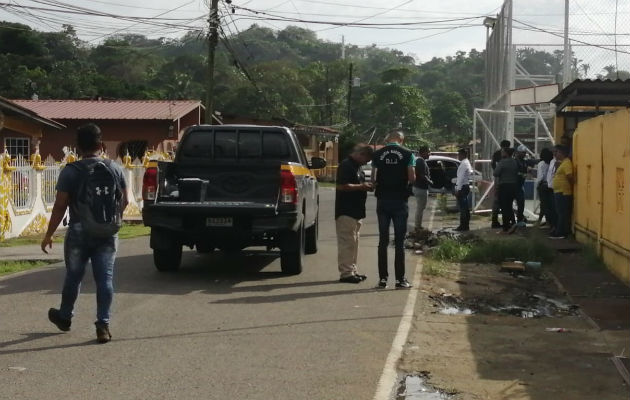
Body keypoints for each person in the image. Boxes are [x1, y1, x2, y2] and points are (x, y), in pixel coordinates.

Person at [42, 123, 128, 343]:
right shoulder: (115, 168)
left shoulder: (71, 171)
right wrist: (110, 219)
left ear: (77, 146)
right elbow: (125, 200)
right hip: (107, 233)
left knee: (74, 275)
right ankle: (103, 325)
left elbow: (60, 205)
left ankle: (64, 316)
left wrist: (49, 233)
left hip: (79, 231)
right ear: (101, 144)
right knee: (105, 279)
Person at [372, 131, 415, 289]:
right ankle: (400, 280)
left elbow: (373, 179)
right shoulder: (408, 154)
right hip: (399, 201)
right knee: (399, 242)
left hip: (382, 201)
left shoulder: (377, 154)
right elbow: (412, 178)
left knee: (382, 241)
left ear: (387, 139)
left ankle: (383, 279)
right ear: (401, 140)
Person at [335, 145, 374, 283]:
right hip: (346, 211)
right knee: (347, 243)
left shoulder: (357, 167)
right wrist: (362, 187)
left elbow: (357, 183)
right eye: (366, 160)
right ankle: (346, 273)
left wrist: (366, 185)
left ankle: (352, 270)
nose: (365, 163)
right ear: (361, 154)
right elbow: (342, 185)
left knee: (354, 243)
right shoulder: (346, 165)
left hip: (356, 212)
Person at [493, 147, 519, 233]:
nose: (501, 153)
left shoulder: (502, 162)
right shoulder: (514, 162)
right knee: (509, 206)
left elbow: (495, 173)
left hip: (504, 186)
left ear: (506, 153)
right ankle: (512, 223)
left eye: (502, 152)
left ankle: (505, 228)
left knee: (504, 207)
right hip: (513, 186)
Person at [550, 145, 573, 239]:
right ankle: (559, 231)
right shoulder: (562, 163)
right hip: (559, 191)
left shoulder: (567, 163)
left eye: (556, 152)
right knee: (560, 212)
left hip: (563, 192)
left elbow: (569, 176)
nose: (555, 154)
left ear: (562, 153)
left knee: (562, 213)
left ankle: (561, 232)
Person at [491, 140, 511, 228]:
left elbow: (492, 163)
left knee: (497, 199)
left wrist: (496, 170)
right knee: (503, 200)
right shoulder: (506, 154)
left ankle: (495, 220)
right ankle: (501, 221)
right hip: (503, 178)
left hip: (498, 177)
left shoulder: (496, 154)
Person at [413, 146, 432, 232]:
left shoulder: (421, 161)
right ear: (423, 152)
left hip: (420, 187)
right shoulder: (420, 161)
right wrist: (430, 182)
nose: (429, 154)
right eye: (428, 152)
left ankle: (418, 225)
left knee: (420, 207)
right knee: (420, 208)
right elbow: (422, 175)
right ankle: (418, 226)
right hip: (421, 188)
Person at [454, 148, 473, 232]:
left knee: (463, 208)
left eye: (459, 154)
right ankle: (465, 225)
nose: (458, 156)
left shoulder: (463, 164)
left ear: (462, 155)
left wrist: (458, 189)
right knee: (465, 207)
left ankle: (463, 226)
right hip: (465, 186)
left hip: (462, 187)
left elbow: (461, 178)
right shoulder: (466, 162)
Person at [535, 148, 553, 227]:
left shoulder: (541, 164)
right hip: (551, 186)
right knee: (550, 204)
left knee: (543, 204)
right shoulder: (552, 163)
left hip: (543, 186)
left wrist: (538, 185)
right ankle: (549, 221)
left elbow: (540, 177)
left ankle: (540, 220)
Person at [514, 145, 528, 226]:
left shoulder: (523, 161)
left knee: (521, 203)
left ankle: (520, 218)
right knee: (518, 202)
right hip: (515, 185)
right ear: (518, 153)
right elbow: (515, 172)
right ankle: (516, 218)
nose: (524, 154)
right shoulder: (515, 161)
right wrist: (522, 174)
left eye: (525, 153)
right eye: (522, 153)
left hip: (520, 185)